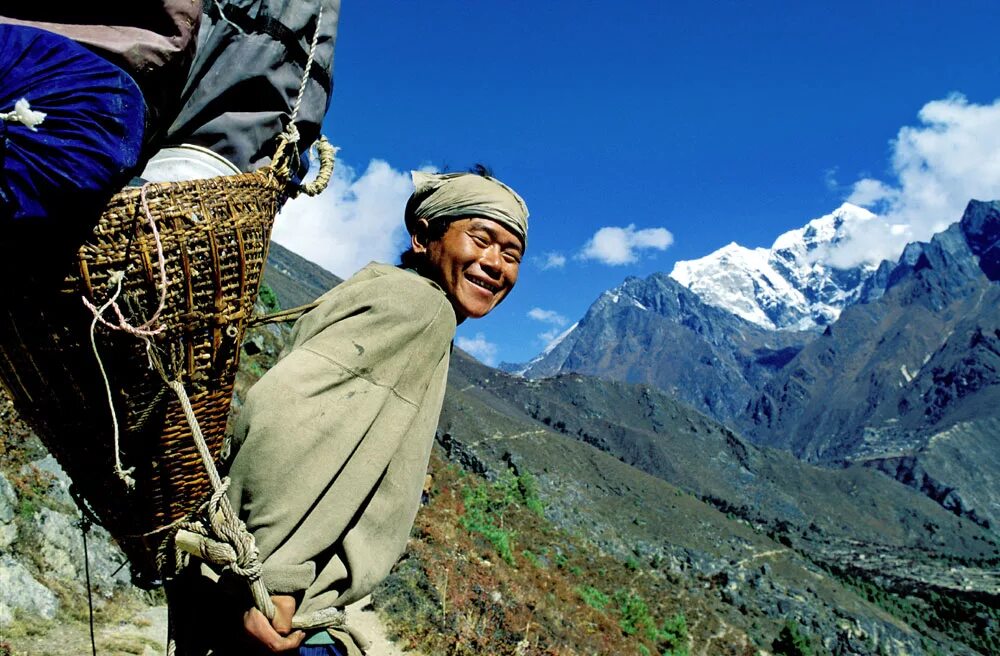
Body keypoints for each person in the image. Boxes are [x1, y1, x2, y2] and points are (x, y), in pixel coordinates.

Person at [179, 168, 529, 655]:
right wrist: (279, 578)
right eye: (481, 239)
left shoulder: (386, 291)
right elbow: (288, 417)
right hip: (282, 616)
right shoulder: (419, 308)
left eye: (511, 255)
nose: (495, 264)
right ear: (424, 236)